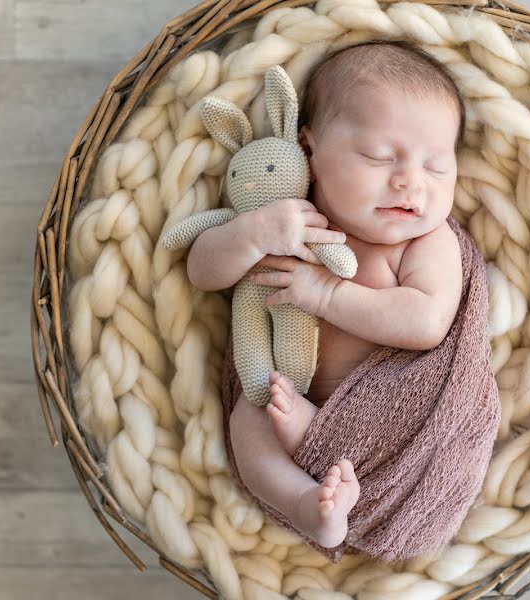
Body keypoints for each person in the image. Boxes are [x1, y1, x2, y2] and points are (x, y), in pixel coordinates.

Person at [186, 39, 466, 550]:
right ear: (310, 149)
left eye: (436, 166)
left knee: (261, 415)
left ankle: (325, 471)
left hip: (386, 423)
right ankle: (304, 503)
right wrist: (251, 235)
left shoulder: (426, 240)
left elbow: (427, 322)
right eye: (379, 156)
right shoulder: (286, 211)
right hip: (284, 393)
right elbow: (202, 272)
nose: (410, 182)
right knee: (249, 424)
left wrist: (326, 296)